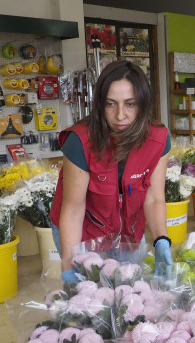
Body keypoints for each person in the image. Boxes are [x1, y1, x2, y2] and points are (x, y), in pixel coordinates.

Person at [49, 60, 172, 281]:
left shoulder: (158, 139)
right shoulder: (80, 141)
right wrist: (69, 264)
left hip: (128, 231)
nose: (120, 115)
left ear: (143, 104)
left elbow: (154, 198)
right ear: (100, 105)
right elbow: (74, 210)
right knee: (92, 301)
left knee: (130, 295)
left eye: (130, 104)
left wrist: (161, 239)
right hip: (83, 231)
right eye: (110, 104)